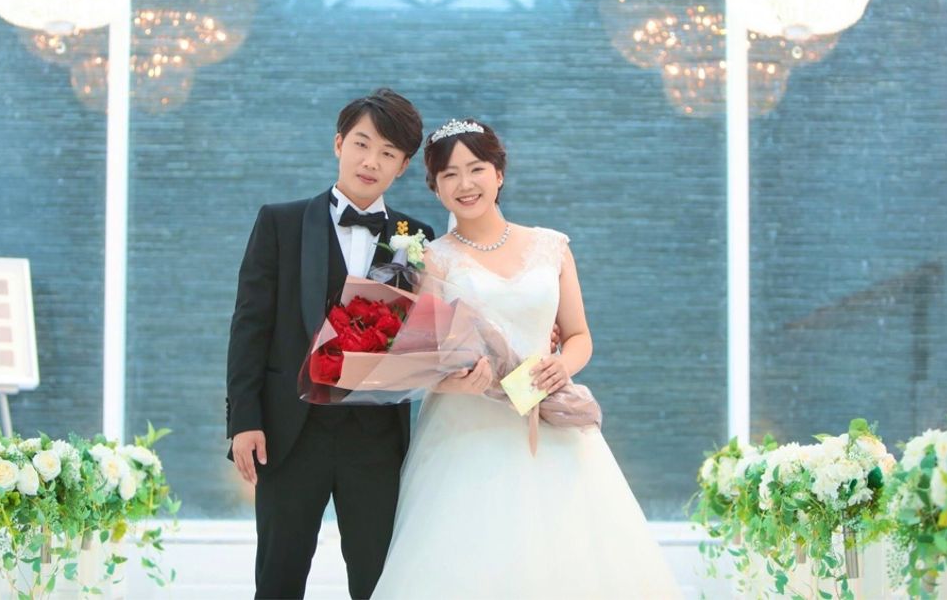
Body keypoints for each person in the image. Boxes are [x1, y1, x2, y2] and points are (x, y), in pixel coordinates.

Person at [371, 119, 683, 599]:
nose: (465, 183)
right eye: (449, 175)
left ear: (498, 174)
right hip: (466, 429)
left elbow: (578, 336)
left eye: (476, 168)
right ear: (435, 188)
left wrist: (563, 365)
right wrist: (456, 382)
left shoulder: (551, 246)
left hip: (551, 420)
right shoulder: (431, 259)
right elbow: (423, 360)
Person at [225, 89, 437, 600]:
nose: (371, 161)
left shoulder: (415, 235)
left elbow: (420, 336)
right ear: (339, 143)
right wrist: (243, 421)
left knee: (377, 582)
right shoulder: (280, 222)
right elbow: (250, 327)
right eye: (361, 144)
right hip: (289, 433)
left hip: (376, 441)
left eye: (388, 152)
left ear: (403, 166)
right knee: (278, 578)